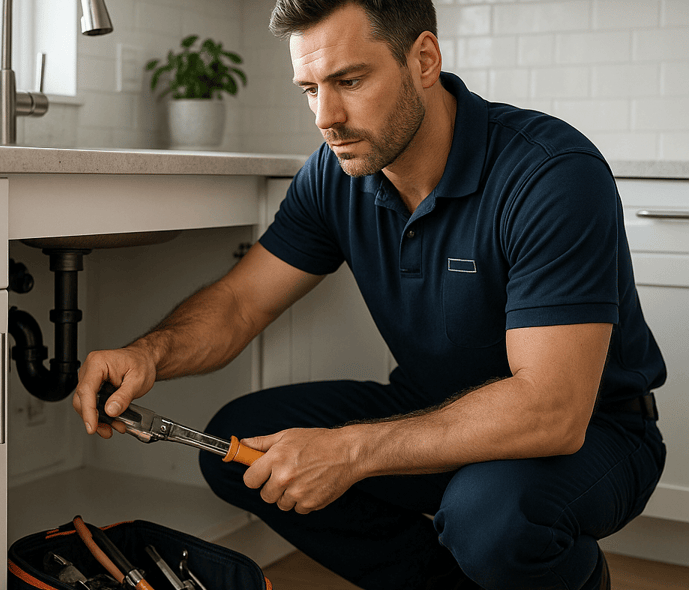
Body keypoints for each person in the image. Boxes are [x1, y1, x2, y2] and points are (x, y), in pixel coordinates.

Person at [73, 1, 667, 588]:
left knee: (490, 520)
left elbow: (551, 410)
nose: (325, 117)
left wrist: (351, 451)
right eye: (310, 89)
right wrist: (149, 353)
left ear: (424, 59)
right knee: (240, 448)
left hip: (594, 432)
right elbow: (240, 303)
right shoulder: (334, 174)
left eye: (350, 81)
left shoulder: (549, 173)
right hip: (429, 405)